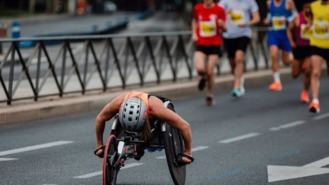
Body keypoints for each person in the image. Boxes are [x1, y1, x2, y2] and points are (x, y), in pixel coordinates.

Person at [94, 91, 194, 164]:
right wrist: (99, 145)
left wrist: (188, 152)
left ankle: (140, 145)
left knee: (149, 136)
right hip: (126, 119)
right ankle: (129, 147)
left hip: (150, 119)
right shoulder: (118, 103)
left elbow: (185, 126)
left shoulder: (156, 109)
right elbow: (100, 118)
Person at [219, 0, 260, 97]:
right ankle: (239, 78)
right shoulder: (224, 2)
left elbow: (257, 18)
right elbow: (217, 14)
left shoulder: (250, 2)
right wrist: (222, 17)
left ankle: (237, 85)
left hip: (243, 33)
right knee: (233, 62)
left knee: (239, 58)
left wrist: (247, 23)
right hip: (228, 35)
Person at [192, 0, 226, 106]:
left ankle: (210, 95)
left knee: (210, 71)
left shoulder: (219, 9)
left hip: (214, 44)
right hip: (201, 43)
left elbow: (225, 29)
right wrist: (194, 33)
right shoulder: (198, 8)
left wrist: (222, 26)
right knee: (200, 69)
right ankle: (203, 77)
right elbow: (194, 21)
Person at [265, 0, 295, 91]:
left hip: (285, 34)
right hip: (274, 34)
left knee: (286, 61)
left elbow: (294, 19)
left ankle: (297, 62)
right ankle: (277, 82)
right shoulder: (269, 3)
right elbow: (270, 15)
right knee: (273, 55)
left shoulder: (288, 2)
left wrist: (286, 20)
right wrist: (267, 20)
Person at [287, 3, 312, 103]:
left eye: (309, 9)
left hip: (310, 48)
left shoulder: (315, 18)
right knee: (294, 74)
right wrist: (291, 42)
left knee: (308, 70)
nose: (307, 11)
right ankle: (301, 67)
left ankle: (305, 92)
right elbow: (288, 29)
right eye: (305, 9)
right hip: (299, 47)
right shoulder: (297, 17)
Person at [308, 0, 329, 113]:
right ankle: (315, 101)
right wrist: (308, 26)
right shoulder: (313, 6)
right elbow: (311, 22)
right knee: (315, 72)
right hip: (317, 43)